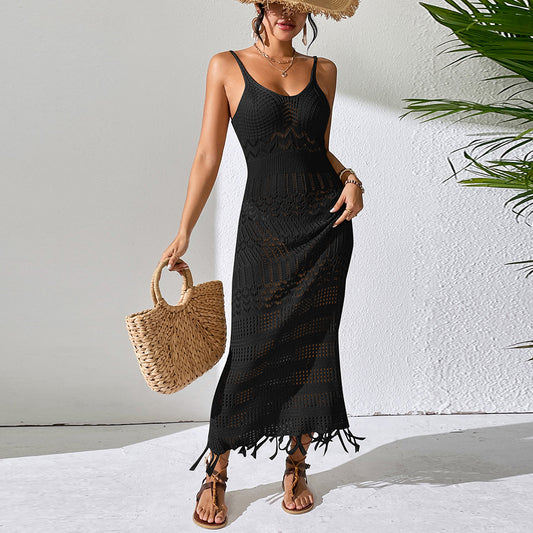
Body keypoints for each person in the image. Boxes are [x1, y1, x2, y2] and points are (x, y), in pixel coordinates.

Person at [160, 0, 365, 528]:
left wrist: (351, 179)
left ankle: (296, 464)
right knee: (251, 346)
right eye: (278, 2)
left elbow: (317, 149)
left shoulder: (324, 70)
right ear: (259, 5)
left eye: (298, 5)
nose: (287, 14)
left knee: (313, 346)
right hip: (263, 233)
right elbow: (208, 155)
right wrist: (184, 229)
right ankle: (217, 470)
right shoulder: (225, 66)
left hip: (324, 228)